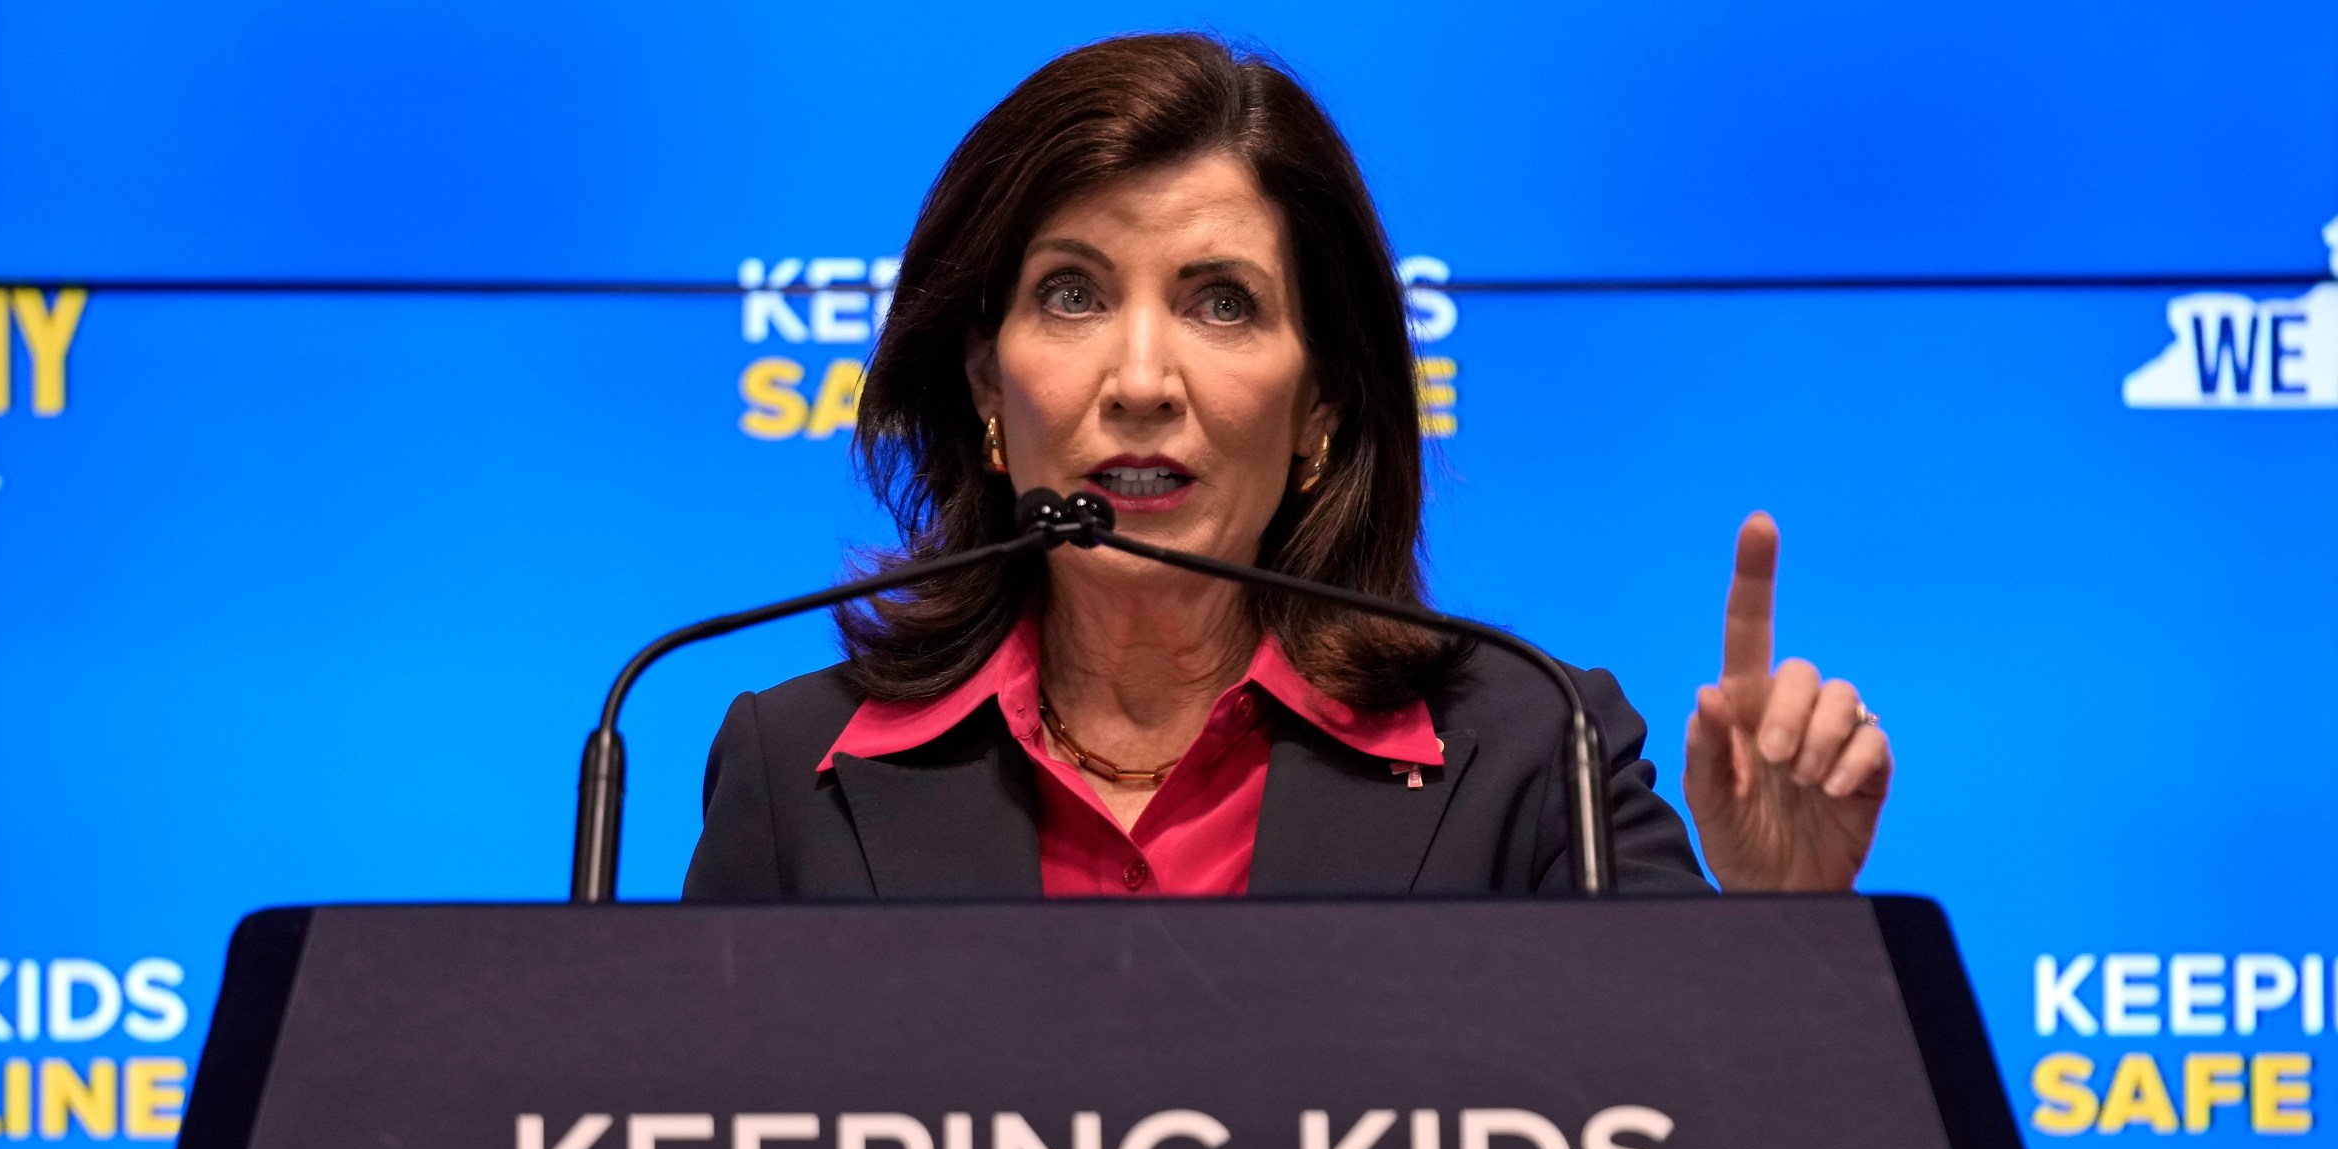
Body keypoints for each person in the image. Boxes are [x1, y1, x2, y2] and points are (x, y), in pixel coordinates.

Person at [684, 33, 1890, 900]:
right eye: (1072, 296)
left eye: (1221, 303)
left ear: (1321, 404)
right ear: (986, 385)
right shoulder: (796, 777)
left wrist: (1783, 924)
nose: (1141, 379)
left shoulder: (1538, 753)